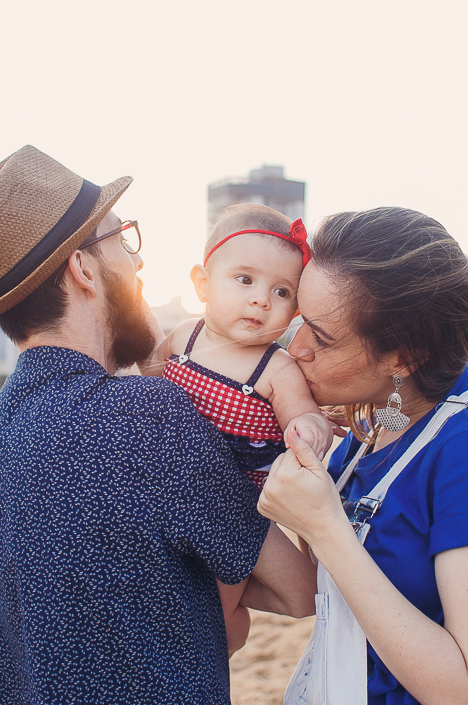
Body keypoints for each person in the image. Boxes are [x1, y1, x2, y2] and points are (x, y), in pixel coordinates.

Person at [0, 146, 315, 705]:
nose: (138, 263)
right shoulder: (148, 416)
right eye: (123, 240)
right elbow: (300, 591)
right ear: (83, 269)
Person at [257, 207, 468, 705]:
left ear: (403, 357)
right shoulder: (368, 430)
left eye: (322, 336)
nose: (297, 347)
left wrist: (325, 527)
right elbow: (313, 591)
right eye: (299, 321)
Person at [141, 203, 335, 654]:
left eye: (282, 291)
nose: (261, 300)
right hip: (169, 488)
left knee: (221, 608)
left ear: (296, 310)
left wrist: (310, 429)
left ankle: (220, 640)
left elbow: (303, 414)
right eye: (245, 279)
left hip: (234, 506)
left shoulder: (276, 368)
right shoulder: (183, 337)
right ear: (203, 284)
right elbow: (144, 382)